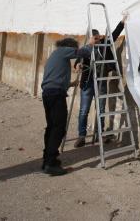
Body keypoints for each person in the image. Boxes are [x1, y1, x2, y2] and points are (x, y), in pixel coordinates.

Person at [40, 35, 98, 176]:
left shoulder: (57, 55)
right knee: (58, 128)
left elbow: (55, 77)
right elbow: (83, 53)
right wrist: (90, 44)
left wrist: (70, 84)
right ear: (70, 46)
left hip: (50, 93)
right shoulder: (63, 50)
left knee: (52, 127)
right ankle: (50, 163)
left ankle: (47, 159)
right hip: (55, 95)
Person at [74, 21, 125, 148]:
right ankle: (82, 136)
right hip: (87, 83)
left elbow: (114, 35)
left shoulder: (104, 45)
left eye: (97, 37)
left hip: (101, 81)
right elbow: (78, 59)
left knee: (101, 109)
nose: (96, 40)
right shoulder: (86, 49)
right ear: (90, 39)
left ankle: (99, 134)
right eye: (94, 38)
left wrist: (122, 23)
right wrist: (78, 64)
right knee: (84, 110)